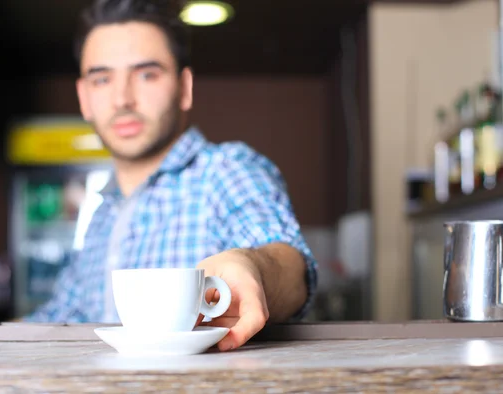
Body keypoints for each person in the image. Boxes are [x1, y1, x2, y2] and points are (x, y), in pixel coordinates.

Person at [24, 0, 318, 352]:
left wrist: (252, 267)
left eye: (147, 74)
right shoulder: (102, 213)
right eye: (102, 79)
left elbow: (291, 266)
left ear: (184, 87)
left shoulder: (226, 170)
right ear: (84, 98)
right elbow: (57, 317)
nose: (122, 99)